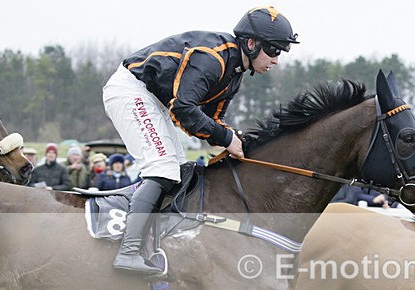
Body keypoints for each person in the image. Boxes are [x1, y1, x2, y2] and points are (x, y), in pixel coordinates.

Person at [102, 6, 299, 275]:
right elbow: (184, 108)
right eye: (274, 50)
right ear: (252, 44)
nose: (276, 60)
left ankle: (157, 242)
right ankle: (128, 252)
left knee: (179, 170)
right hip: (131, 89)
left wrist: (235, 141)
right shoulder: (212, 58)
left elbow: (211, 122)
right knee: (162, 168)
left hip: (155, 100)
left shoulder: (234, 74)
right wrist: (226, 138)